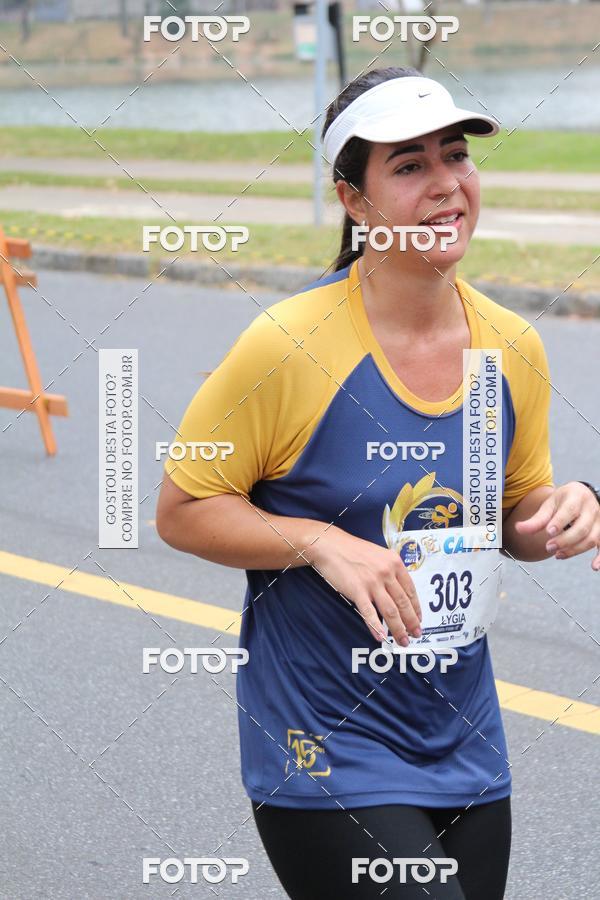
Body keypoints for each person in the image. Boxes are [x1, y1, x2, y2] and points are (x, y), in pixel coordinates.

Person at [156, 66, 600, 899]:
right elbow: (182, 511)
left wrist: (570, 511)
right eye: (409, 166)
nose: (446, 185)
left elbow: (512, 517)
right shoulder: (288, 345)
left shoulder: (508, 346)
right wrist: (320, 543)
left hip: (463, 738)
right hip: (325, 743)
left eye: (455, 157)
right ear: (352, 201)